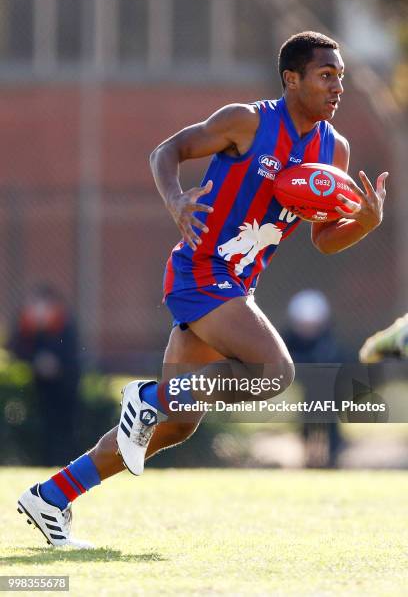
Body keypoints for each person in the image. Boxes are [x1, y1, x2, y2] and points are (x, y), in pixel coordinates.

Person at [17, 31, 388, 548]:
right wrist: (175, 200)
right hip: (201, 271)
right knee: (274, 374)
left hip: (238, 284)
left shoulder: (335, 149)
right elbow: (165, 151)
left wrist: (365, 224)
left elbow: (325, 240)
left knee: (177, 422)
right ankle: (147, 396)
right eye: (326, 76)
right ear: (292, 79)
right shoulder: (247, 121)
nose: (337, 87)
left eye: (340, 77)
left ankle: (51, 496)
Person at [8, 284, 81, 465]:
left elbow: (72, 351)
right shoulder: (29, 324)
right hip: (42, 384)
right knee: (46, 425)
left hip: (66, 382)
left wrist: (56, 365)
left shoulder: (63, 321)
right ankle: (48, 462)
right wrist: (36, 361)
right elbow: (16, 348)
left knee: (65, 425)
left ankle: (66, 462)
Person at [283, 289, 344, 468]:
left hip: (326, 389)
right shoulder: (288, 340)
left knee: (328, 411)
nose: (307, 328)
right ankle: (308, 455)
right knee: (308, 414)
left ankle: (332, 457)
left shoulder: (327, 342)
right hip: (306, 389)